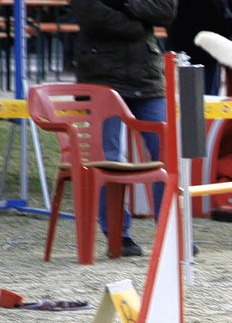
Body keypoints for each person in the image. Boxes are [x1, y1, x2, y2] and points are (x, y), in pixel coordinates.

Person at [71, 0, 177, 256]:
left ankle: (169, 231)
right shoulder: (135, 28)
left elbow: (166, 11)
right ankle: (118, 234)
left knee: (167, 153)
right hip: (101, 77)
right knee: (109, 157)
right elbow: (92, 15)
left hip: (146, 78)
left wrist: (125, 5)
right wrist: (140, 20)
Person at [167, 0, 232, 95]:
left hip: (184, 47)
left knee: (188, 94)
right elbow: (224, 16)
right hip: (208, 49)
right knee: (208, 95)